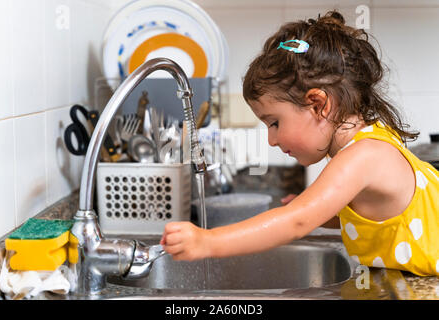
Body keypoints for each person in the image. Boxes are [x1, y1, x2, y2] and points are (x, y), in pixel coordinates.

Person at [160, 11, 439, 276]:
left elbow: (296, 221)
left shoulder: (363, 155)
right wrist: (321, 211)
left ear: (318, 105)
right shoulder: (365, 145)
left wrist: (206, 242)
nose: (271, 140)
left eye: (275, 123)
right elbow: (372, 216)